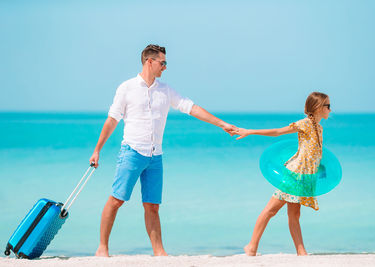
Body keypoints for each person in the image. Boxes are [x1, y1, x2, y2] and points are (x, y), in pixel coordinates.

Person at [89, 44, 237, 257]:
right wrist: (97, 150)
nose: (165, 67)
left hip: (155, 156)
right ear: (150, 62)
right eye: (162, 63)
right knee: (116, 200)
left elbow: (191, 107)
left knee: (152, 206)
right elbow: (112, 120)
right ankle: (102, 248)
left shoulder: (165, 90)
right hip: (131, 152)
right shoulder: (127, 88)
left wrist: (221, 124)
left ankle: (159, 252)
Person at [234, 92, 331, 256]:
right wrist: (250, 131)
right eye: (328, 106)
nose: (330, 109)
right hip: (295, 175)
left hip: (304, 177)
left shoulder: (319, 128)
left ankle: (301, 252)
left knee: (294, 214)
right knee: (271, 210)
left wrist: (320, 168)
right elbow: (278, 131)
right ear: (317, 107)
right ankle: (251, 246)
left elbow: (314, 152)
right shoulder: (305, 124)